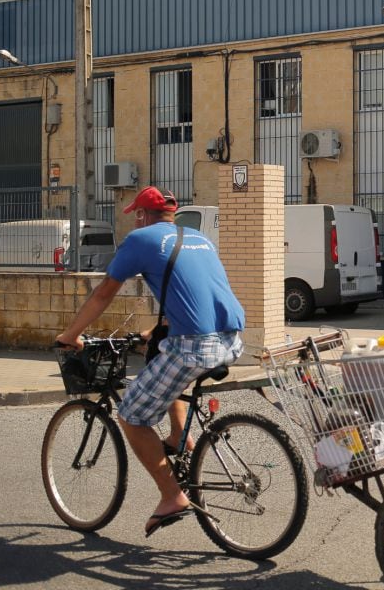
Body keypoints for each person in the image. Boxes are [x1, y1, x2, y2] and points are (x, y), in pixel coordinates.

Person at [56, 186, 245, 537]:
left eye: (135, 215)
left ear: (142, 215)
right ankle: (180, 437)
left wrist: (71, 335)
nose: (135, 221)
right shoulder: (199, 239)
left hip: (195, 346)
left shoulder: (141, 240)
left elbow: (103, 293)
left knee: (130, 415)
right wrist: (154, 331)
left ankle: (172, 496)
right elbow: (196, 295)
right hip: (231, 339)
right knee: (160, 353)